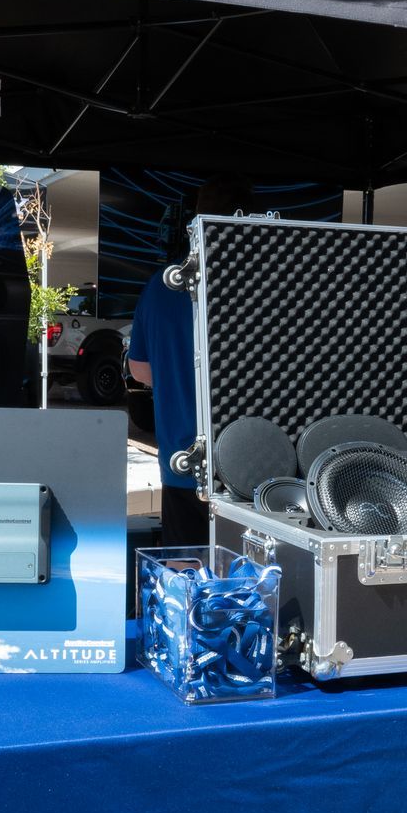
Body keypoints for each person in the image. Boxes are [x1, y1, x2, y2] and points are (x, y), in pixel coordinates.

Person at [127, 175, 255, 545]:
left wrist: (178, 377)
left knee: (186, 579)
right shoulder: (260, 283)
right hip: (254, 464)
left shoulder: (162, 284)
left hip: (182, 462)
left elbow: (140, 370)